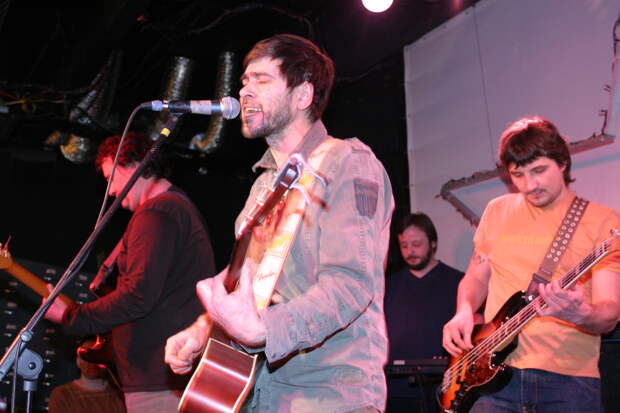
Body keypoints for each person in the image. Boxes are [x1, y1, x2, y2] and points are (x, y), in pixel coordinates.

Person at [165, 34, 394, 412]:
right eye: (244, 81)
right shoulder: (263, 186)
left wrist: (265, 331)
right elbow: (250, 285)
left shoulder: (348, 163)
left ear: (302, 95)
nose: (245, 91)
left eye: (261, 79)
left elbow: (351, 283)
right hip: (258, 394)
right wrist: (203, 328)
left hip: (326, 395)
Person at [442, 116, 620, 412]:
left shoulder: (603, 222)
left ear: (562, 163)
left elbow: (609, 314)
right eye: (518, 174)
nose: (530, 185)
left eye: (539, 170)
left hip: (569, 382)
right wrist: (464, 311)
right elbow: (476, 278)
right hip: (492, 379)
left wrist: (580, 313)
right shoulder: (497, 211)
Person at [44, 131, 216, 412]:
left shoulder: (157, 214)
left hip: (157, 381)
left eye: (111, 179)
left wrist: (71, 317)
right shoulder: (172, 209)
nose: (110, 191)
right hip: (160, 378)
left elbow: (137, 295)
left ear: (134, 166)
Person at [384, 213, 463, 412]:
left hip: (444, 392)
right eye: (404, 245)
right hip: (396, 392)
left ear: (433, 243)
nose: (410, 251)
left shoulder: (458, 283)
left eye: (416, 244)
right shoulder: (388, 287)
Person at [48, 338, 126, 413]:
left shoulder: (119, 393)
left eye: (96, 356)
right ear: (78, 361)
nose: (91, 362)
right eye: (86, 356)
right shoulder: (63, 395)